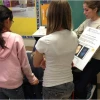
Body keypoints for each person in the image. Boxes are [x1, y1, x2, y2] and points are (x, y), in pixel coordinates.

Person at [33, 0, 78, 99]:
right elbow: (68, 59)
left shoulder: (44, 41)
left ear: (50, 15)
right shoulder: (74, 36)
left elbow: (36, 64)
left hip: (52, 86)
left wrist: (45, 60)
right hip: (69, 84)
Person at [0, 5, 39, 99]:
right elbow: (24, 64)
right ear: (7, 20)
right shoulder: (16, 38)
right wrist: (32, 78)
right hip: (14, 84)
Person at [73, 0, 100, 99]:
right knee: (76, 79)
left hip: (96, 59)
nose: (84, 12)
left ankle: (88, 91)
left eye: (86, 10)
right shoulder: (87, 22)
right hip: (82, 57)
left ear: (95, 9)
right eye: (83, 9)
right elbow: (76, 33)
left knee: (80, 87)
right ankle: (90, 89)